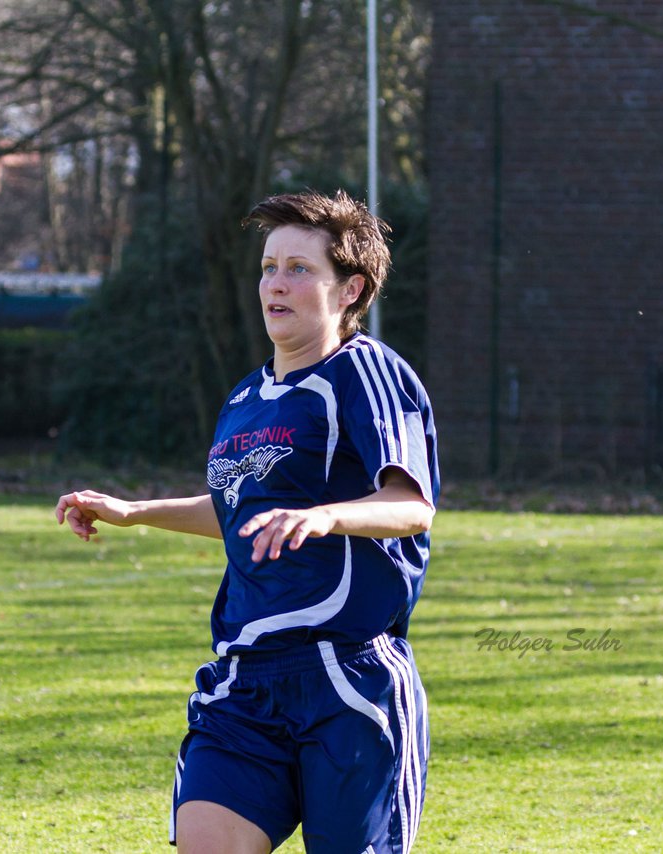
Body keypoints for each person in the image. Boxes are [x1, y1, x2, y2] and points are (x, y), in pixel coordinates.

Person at [55, 189, 440, 853]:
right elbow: (244, 515)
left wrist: (324, 519)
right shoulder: (245, 398)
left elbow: (410, 507)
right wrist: (134, 513)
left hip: (346, 680)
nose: (276, 284)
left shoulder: (365, 371)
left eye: (298, 269)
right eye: (268, 267)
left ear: (349, 290)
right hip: (245, 682)